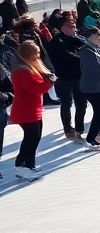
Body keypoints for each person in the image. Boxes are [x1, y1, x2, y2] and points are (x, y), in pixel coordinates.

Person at [9, 41, 55, 180]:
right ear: (28, 54)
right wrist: (49, 83)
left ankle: (30, 163)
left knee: (35, 137)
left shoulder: (29, 67)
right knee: (31, 138)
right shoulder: (21, 70)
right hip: (25, 110)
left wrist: (47, 79)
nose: (38, 56)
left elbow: (37, 84)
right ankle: (21, 165)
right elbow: (34, 89)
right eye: (35, 53)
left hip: (33, 109)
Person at [46, 16, 87, 140]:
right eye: (70, 27)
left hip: (80, 76)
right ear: (62, 28)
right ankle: (67, 128)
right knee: (66, 103)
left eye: (74, 26)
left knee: (82, 103)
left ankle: (79, 128)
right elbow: (61, 57)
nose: (73, 29)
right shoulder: (56, 42)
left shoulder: (79, 39)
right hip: (64, 77)